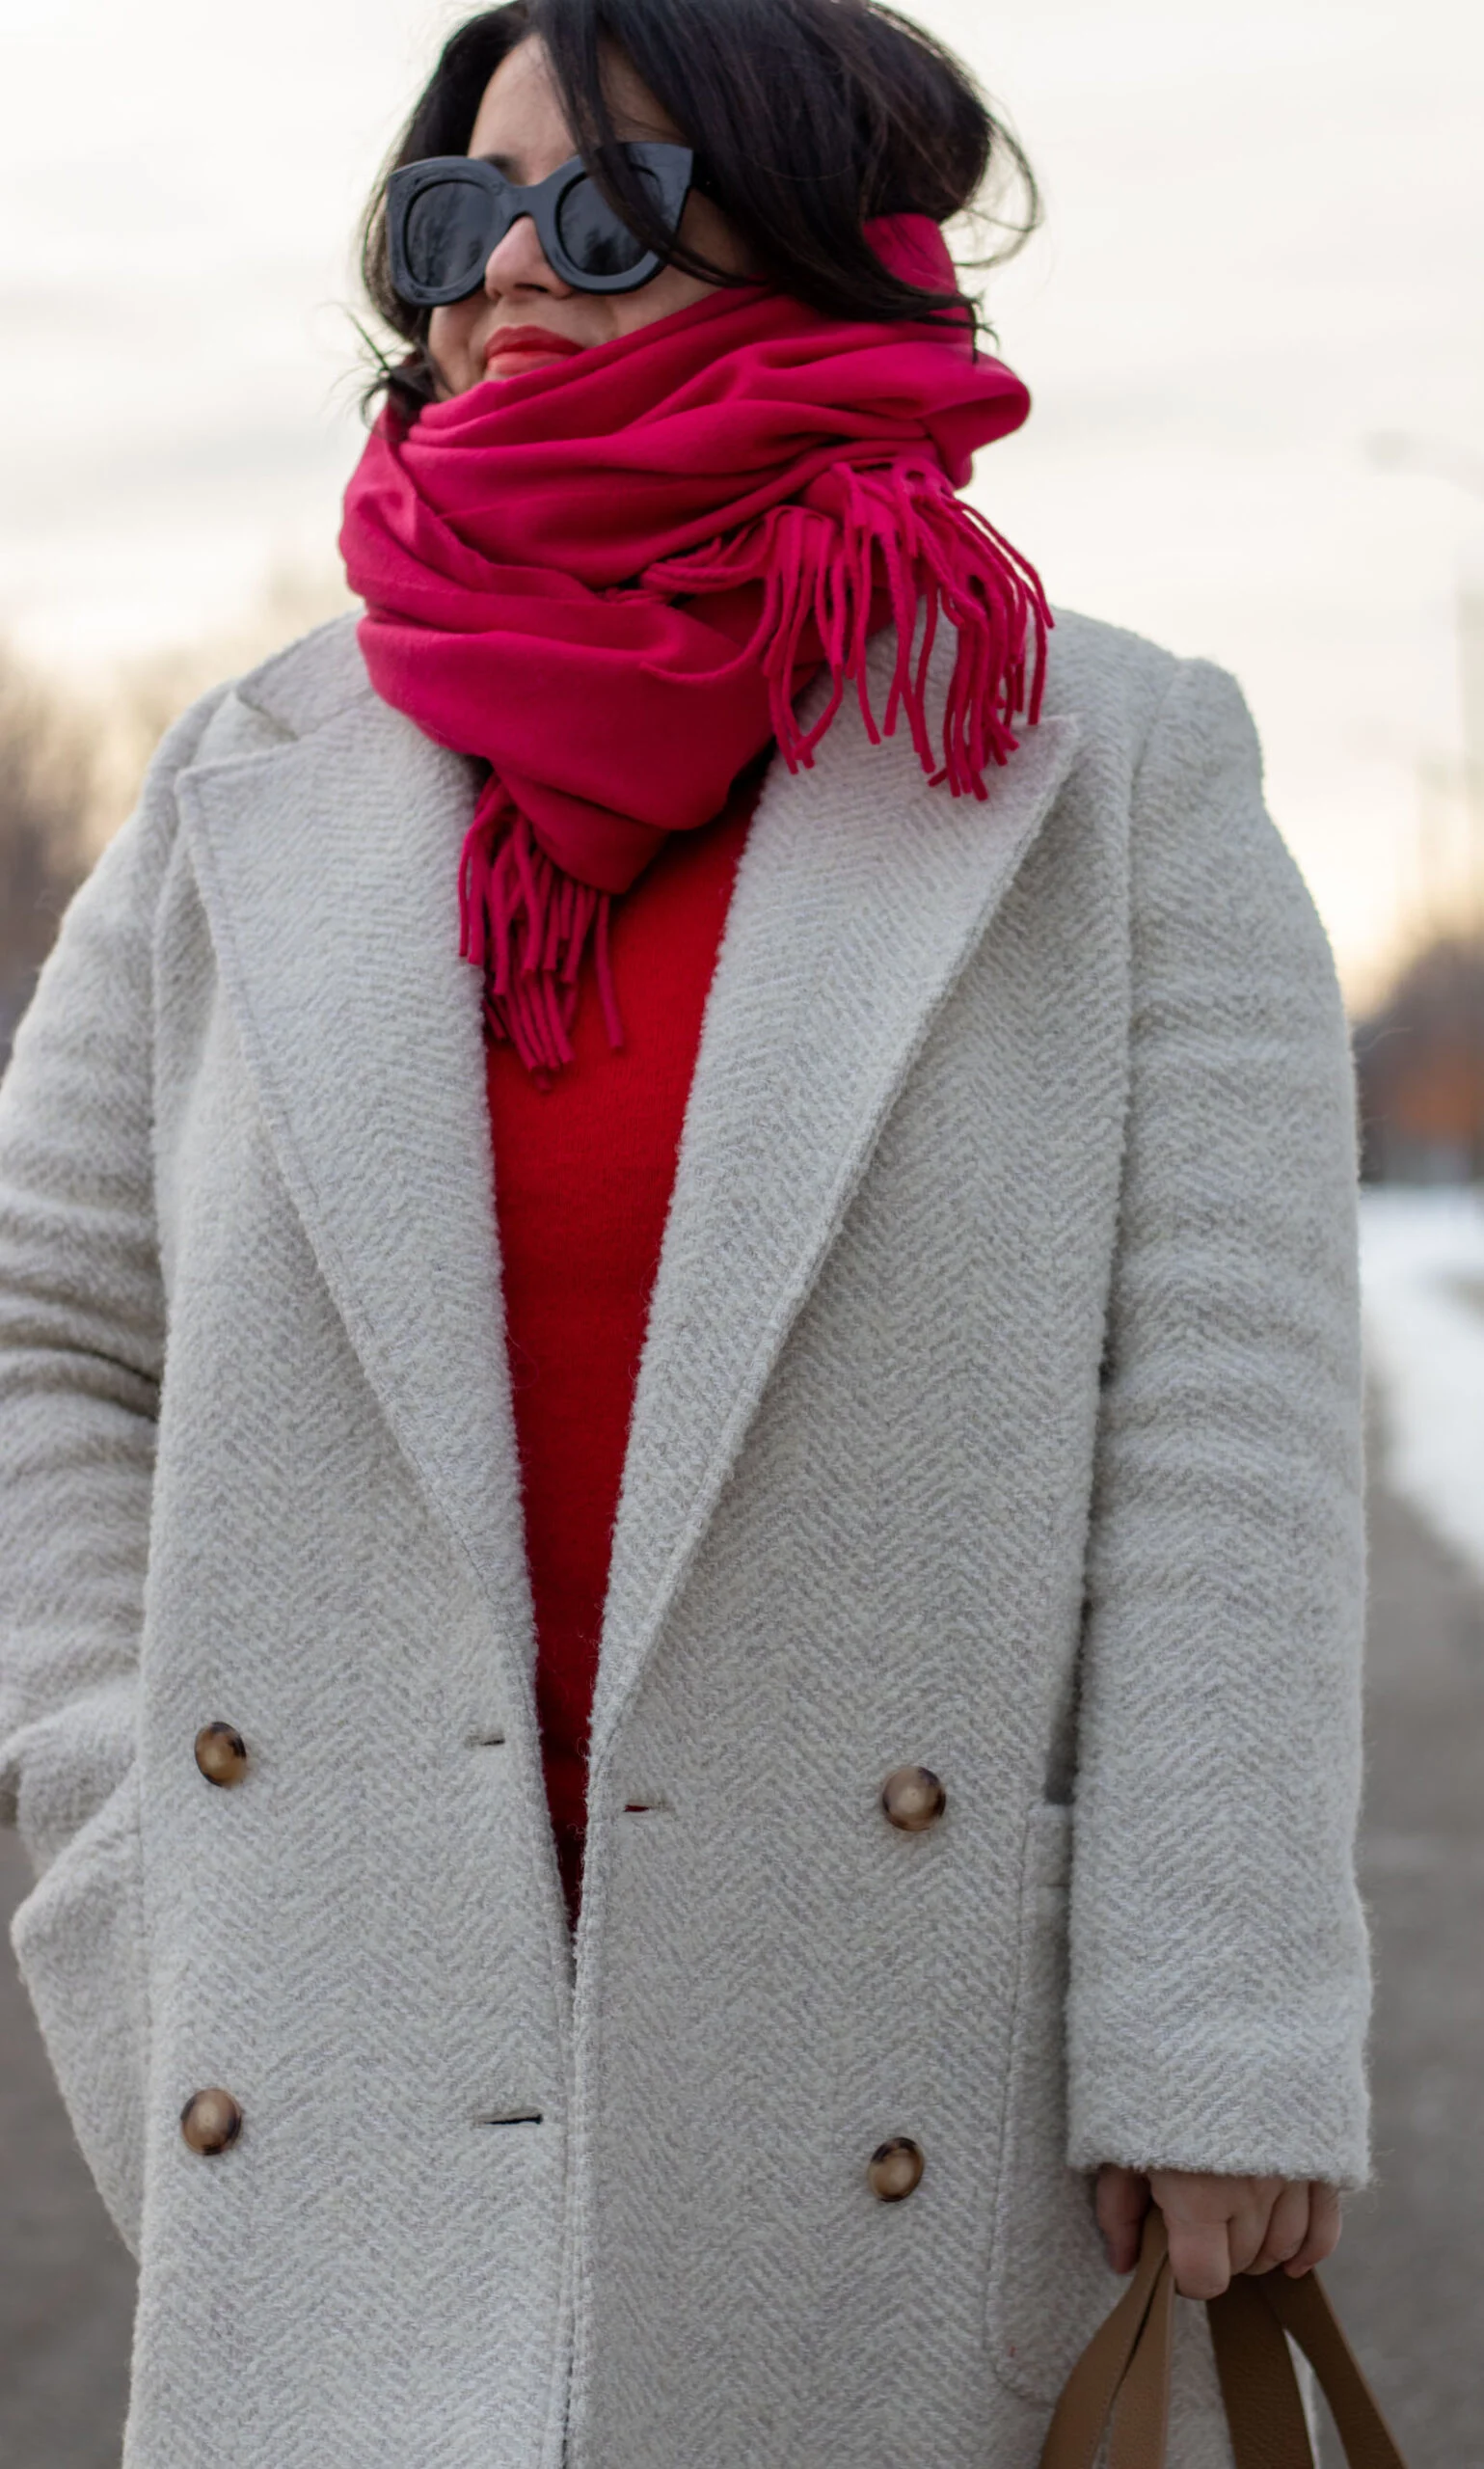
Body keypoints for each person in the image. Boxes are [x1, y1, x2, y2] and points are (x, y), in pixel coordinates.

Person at [0, 1, 1369, 2462]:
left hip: (879, 2031)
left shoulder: (1109, 772)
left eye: (606, 201)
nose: (512, 265)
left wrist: (1216, 2012)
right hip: (336, 2036)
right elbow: (40, 1339)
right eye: (459, 210)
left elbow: (1225, 1421)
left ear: (830, 247)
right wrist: (132, 1833)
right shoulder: (247, 785)